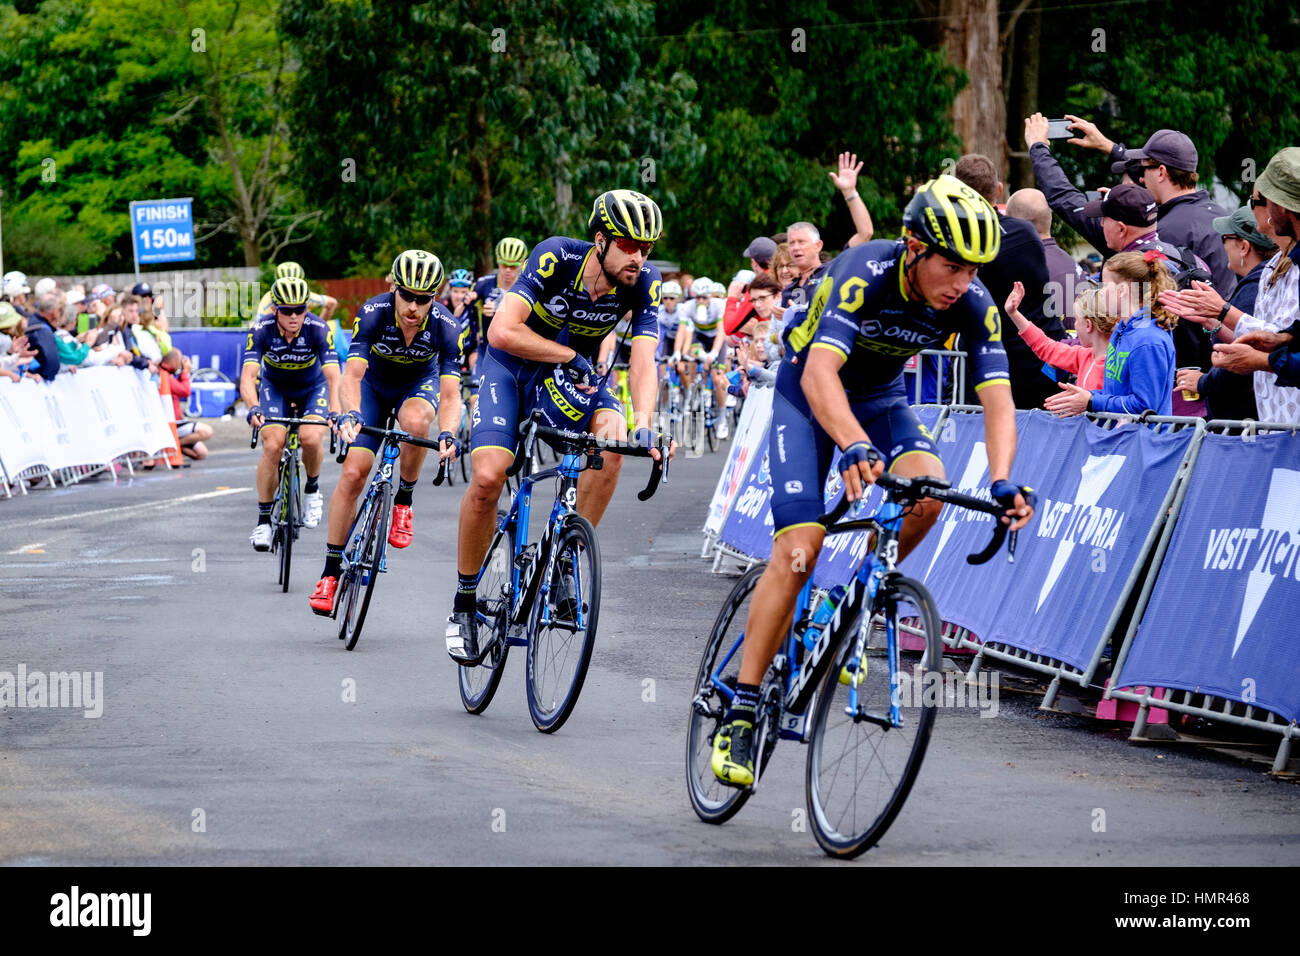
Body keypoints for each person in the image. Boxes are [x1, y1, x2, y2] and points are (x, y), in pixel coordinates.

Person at [710, 175, 1034, 787]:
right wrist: (852, 442)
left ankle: (852, 594)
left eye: (974, 270)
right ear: (914, 247)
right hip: (807, 395)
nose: (964, 282)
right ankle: (743, 708)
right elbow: (819, 376)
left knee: (928, 491)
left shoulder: (972, 301)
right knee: (800, 547)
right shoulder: (864, 271)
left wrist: (1001, 480)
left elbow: (998, 398)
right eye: (954, 266)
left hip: (880, 398)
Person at [449, 189, 673, 663]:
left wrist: (647, 424)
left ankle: (565, 556)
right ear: (600, 241)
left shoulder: (643, 283)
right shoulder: (556, 257)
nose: (640, 257)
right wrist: (571, 354)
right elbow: (501, 332)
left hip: (572, 377)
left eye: (647, 248)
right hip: (510, 368)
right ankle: (465, 602)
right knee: (489, 478)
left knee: (612, 442)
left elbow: (646, 360)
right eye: (630, 245)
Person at [309, 251, 462, 613]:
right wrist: (352, 413)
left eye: (423, 299)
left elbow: (452, 394)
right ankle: (330, 573)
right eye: (406, 295)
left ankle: (404, 501)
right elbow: (352, 376)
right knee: (353, 474)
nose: (412, 306)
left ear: (435, 296)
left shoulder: (447, 326)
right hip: (374, 387)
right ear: (393, 288)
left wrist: (449, 432)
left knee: (414, 423)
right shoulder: (373, 312)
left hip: (417, 386)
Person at [953, 154, 1068, 410]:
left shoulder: (953, 243)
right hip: (1037, 360)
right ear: (998, 190)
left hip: (989, 364)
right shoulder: (1025, 232)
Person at [242, 276, 343, 550]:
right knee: (273, 445)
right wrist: (252, 407)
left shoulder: (318, 328)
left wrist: (335, 410)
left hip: (313, 388)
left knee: (311, 438)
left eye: (300, 309)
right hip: (275, 388)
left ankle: (312, 490)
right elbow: (249, 376)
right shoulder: (261, 329)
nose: (294, 316)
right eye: (287, 311)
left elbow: (334, 377)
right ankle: (263, 521)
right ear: (275, 310)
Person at [1207, 148, 1300, 421]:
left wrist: (1262, 361)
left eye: (1260, 200)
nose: (1258, 209)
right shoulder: (1287, 261)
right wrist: (1285, 337)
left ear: (1280, 207)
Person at [1159, 206, 1278, 420]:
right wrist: (1211, 322)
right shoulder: (1261, 280)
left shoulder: (1255, 288)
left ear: (1244, 246)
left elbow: (1245, 359)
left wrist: (1203, 382)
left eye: (1225, 238)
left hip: (1244, 423)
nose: (1222, 246)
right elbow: (1254, 340)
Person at [1046, 250, 1177, 417]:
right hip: (1120, 437)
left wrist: (1092, 401)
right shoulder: (1122, 329)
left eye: (1104, 285)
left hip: (1142, 441)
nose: (1099, 292)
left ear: (1122, 290)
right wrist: (1084, 398)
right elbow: (1115, 392)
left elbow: (1146, 407)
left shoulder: (1149, 340)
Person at [1005, 282, 1113, 403]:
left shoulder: (1115, 366)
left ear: (1088, 325)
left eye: (1076, 320)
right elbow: (1045, 346)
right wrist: (1014, 313)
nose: (1075, 325)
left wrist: (1089, 403)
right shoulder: (1083, 356)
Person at [1004, 187, 1088, 330]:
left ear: (1014, 224)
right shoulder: (1068, 260)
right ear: (1050, 218)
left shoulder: (1026, 265)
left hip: (1049, 349)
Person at [471, 237, 529, 373]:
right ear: (497, 261)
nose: (508, 270)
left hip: (516, 352)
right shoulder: (483, 284)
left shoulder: (528, 287)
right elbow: (460, 314)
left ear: (522, 264)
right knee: (474, 394)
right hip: (486, 348)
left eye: (513, 266)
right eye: (504, 264)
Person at [160, 350, 214, 459]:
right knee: (207, 431)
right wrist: (185, 372)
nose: (181, 364)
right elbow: (185, 391)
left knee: (201, 453)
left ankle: (175, 445)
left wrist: (181, 374)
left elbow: (179, 389)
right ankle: (174, 445)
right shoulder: (164, 375)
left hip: (177, 422)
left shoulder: (168, 375)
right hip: (171, 423)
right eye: (180, 361)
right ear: (174, 361)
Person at [254, 262, 338, 323]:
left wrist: (319, 327)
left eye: (299, 310)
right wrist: (321, 324)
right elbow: (332, 303)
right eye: (285, 310)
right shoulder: (307, 296)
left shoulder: (269, 298)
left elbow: (332, 303)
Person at [828, 151, 874, 248]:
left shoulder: (838, 262)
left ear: (818, 245)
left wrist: (849, 191)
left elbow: (865, 233)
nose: (796, 248)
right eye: (791, 243)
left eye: (801, 241)